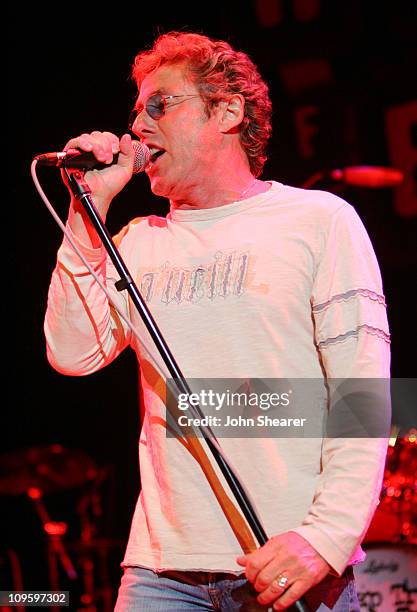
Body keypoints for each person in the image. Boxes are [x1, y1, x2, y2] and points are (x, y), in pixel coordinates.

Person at [44, 31, 391, 611]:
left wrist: (326, 540)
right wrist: (87, 211)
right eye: (136, 112)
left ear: (227, 111)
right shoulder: (135, 241)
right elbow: (72, 353)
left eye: (160, 105)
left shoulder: (317, 221)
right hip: (161, 572)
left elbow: (364, 390)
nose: (137, 129)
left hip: (287, 564)